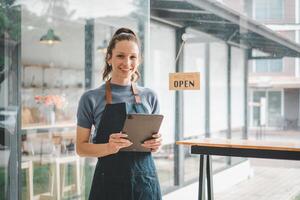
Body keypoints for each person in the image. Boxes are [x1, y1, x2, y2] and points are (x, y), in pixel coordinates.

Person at [76, 27, 162, 200]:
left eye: (133, 57)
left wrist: (157, 144)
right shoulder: (90, 98)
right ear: (109, 58)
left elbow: (153, 145)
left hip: (144, 184)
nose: (127, 63)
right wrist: (109, 147)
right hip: (108, 185)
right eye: (120, 56)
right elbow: (81, 148)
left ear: (139, 61)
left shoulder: (150, 97)